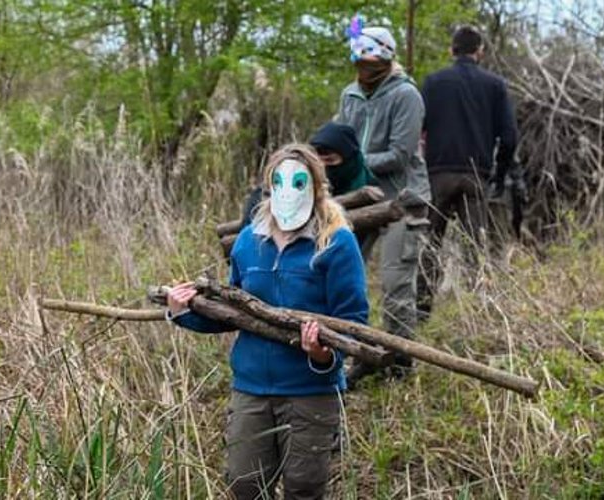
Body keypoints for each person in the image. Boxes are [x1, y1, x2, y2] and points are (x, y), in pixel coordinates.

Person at [165, 144, 368, 500]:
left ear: (316, 187)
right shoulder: (249, 241)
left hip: (310, 392)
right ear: (269, 186)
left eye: (299, 182)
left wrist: (322, 355)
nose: (289, 191)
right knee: (245, 484)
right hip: (252, 388)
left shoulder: (337, 244)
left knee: (303, 488)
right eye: (280, 181)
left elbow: (353, 321)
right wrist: (183, 311)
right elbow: (234, 314)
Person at [333, 17, 428, 381]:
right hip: (360, 200)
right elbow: (342, 139)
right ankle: (357, 353)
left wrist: (353, 161)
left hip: (402, 201)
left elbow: (399, 155)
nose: (363, 71)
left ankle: (399, 363)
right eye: (359, 64)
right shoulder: (350, 95)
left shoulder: (406, 95)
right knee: (346, 280)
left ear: (385, 62)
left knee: (395, 285)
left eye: (371, 65)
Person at [418, 26, 519, 311]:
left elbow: (416, 130)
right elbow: (510, 137)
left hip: (437, 175)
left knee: (429, 245)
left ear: (452, 51)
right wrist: (498, 176)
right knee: (476, 250)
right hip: (477, 176)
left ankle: (421, 309)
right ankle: (477, 313)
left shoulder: (433, 83)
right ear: (480, 52)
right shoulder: (495, 85)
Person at [240, 122, 371, 227]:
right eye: (318, 161)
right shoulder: (298, 176)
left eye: (330, 160)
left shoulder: (362, 186)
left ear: (348, 160)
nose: (324, 167)